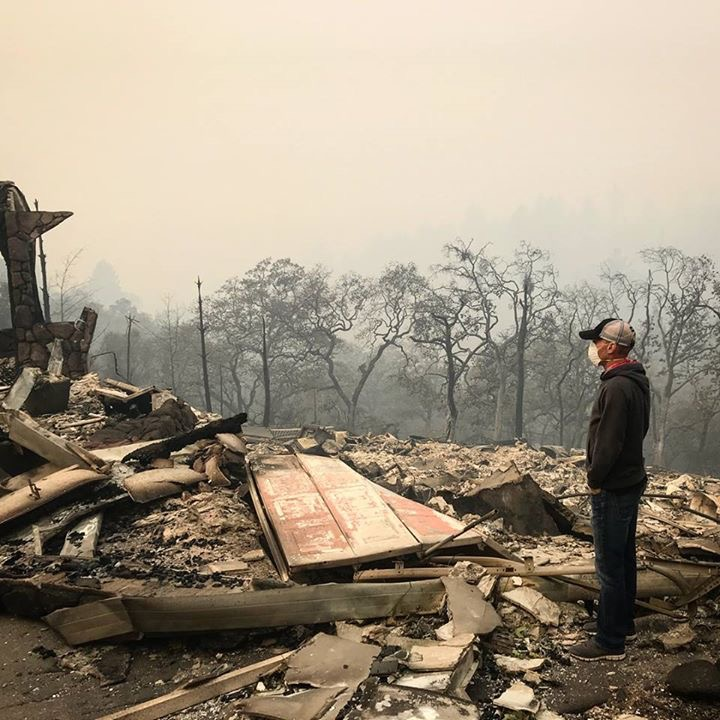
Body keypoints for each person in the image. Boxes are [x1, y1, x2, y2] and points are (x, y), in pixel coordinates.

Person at [568, 318, 650, 661]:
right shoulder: (635, 381)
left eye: (599, 341)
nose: (595, 347)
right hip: (629, 479)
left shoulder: (616, 387)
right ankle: (621, 621)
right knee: (624, 557)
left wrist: (595, 480)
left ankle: (610, 642)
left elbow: (609, 442)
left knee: (610, 564)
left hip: (613, 486)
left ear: (612, 347)